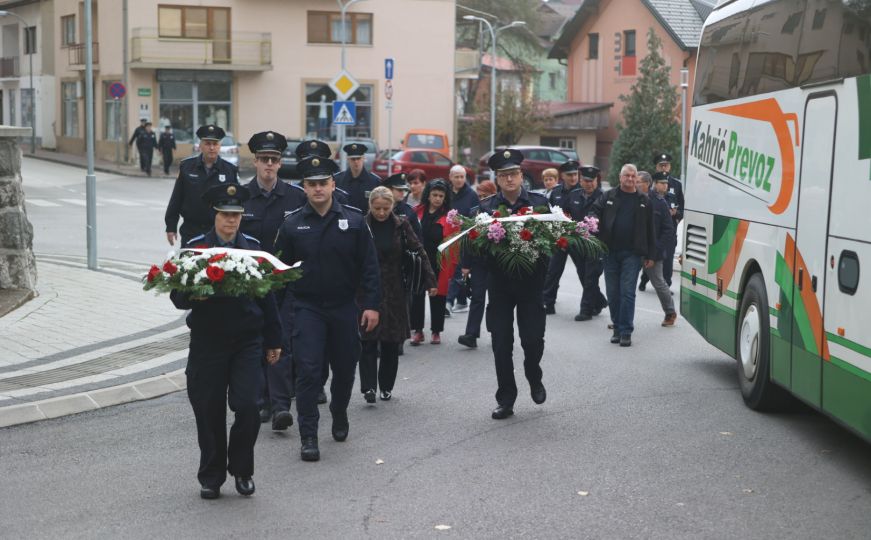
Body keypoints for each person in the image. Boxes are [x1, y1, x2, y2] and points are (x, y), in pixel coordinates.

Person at [170, 183, 282, 500]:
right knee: (208, 409)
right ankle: (212, 475)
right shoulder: (196, 247)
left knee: (248, 406)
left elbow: (268, 296)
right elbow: (178, 298)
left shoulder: (253, 249)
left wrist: (274, 339)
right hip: (208, 341)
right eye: (225, 215)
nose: (231, 221)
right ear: (215, 215)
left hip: (247, 341)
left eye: (236, 215)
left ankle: (242, 469)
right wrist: (196, 285)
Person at [274, 155, 381, 462]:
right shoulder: (292, 223)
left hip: (344, 306)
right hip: (307, 308)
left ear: (333, 184)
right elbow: (278, 271)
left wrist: (372, 305)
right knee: (308, 371)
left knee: (346, 368)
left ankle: (339, 411)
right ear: (303, 187)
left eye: (323, 183)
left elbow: (369, 267)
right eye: (312, 184)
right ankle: (309, 436)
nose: (318, 189)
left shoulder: (355, 221)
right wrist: (274, 318)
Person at [473, 149, 550, 420]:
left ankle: (533, 374)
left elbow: (553, 243)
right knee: (501, 344)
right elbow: (476, 249)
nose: (509, 179)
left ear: (521, 175)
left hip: (530, 285)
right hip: (500, 286)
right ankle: (506, 397)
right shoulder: (485, 209)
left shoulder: (541, 205)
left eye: (513, 174)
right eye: (503, 175)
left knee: (532, 340)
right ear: (497, 179)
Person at [240, 131, 308, 430]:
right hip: (252, 283)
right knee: (255, 342)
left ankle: (281, 405)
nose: (269, 165)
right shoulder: (241, 196)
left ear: (281, 164)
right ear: (255, 162)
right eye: (264, 159)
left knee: (281, 343)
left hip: (284, 283)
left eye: (274, 160)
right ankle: (262, 401)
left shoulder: (295, 197)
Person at [359, 187, 436, 403]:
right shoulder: (362, 225)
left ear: (393, 206)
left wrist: (430, 280)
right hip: (366, 289)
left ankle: (386, 386)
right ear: (370, 206)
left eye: (386, 208)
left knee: (391, 341)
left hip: (395, 290)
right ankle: (368, 387)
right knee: (367, 340)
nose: (382, 213)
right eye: (377, 208)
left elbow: (418, 249)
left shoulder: (401, 225)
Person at [589, 163, 656, 347]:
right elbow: (594, 210)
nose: (630, 179)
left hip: (632, 254)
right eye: (627, 175)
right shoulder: (609, 196)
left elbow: (651, 229)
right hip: (610, 252)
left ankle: (626, 331)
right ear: (620, 177)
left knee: (627, 293)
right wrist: (593, 221)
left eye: (633, 176)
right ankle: (617, 328)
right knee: (613, 293)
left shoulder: (644, 200)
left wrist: (651, 254)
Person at [165, 124, 240, 246]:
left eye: (215, 144)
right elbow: (176, 198)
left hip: (219, 233)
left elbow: (236, 204)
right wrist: (171, 226)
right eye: (207, 143)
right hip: (191, 230)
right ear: (200, 146)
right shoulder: (187, 167)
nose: (211, 148)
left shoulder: (229, 170)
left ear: (219, 146)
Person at [411, 179, 458, 345]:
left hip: (439, 261)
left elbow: (454, 244)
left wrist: (451, 265)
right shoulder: (416, 211)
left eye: (441, 196)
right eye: (434, 195)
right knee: (416, 294)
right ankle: (417, 330)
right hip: (419, 260)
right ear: (428, 196)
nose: (437, 199)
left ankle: (436, 331)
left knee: (438, 296)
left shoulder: (450, 216)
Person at [566, 165, 608, 321]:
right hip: (577, 244)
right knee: (583, 275)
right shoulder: (573, 195)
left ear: (597, 181)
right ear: (581, 180)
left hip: (595, 244)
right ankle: (600, 301)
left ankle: (586, 310)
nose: (589, 184)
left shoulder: (604, 197)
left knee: (591, 277)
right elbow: (566, 214)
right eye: (585, 180)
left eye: (592, 181)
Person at [542, 160, 583, 314]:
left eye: (575, 174)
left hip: (576, 238)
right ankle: (548, 303)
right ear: (562, 176)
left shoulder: (582, 191)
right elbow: (550, 213)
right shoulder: (556, 192)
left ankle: (594, 302)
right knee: (552, 271)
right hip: (559, 238)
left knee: (584, 272)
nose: (573, 178)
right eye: (570, 175)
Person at [639, 152, 684, 289]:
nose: (664, 168)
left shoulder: (676, 185)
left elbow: (682, 205)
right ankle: (645, 278)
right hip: (654, 226)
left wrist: (677, 215)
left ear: (670, 167)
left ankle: (667, 285)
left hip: (670, 227)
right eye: (661, 165)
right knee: (652, 255)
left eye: (666, 165)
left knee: (668, 257)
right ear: (657, 167)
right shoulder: (652, 183)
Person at [644, 172, 678, 326]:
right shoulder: (632, 199)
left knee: (658, 282)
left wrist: (656, 249)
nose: (635, 184)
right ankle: (619, 319)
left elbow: (668, 229)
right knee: (626, 284)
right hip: (632, 250)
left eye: (639, 181)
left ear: (647, 183)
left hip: (653, 251)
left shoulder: (659, 202)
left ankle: (670, 312)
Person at [446, 165, 480, 314]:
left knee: (457, 268)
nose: (459, 180)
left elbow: (474, 218)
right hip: (447, 236)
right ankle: (461, 301)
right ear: (450, 177)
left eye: (462, 177)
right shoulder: (446, 193)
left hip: (464, 237)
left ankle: (448, 301)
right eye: (456, 177)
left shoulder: (471, 195)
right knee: (452, 270)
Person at [333, 142, 381, 212]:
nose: (356, 162)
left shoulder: (375, 181)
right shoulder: (337, 180)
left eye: (358, 158)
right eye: (353, 159)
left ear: (363, 158)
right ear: (348, 160)